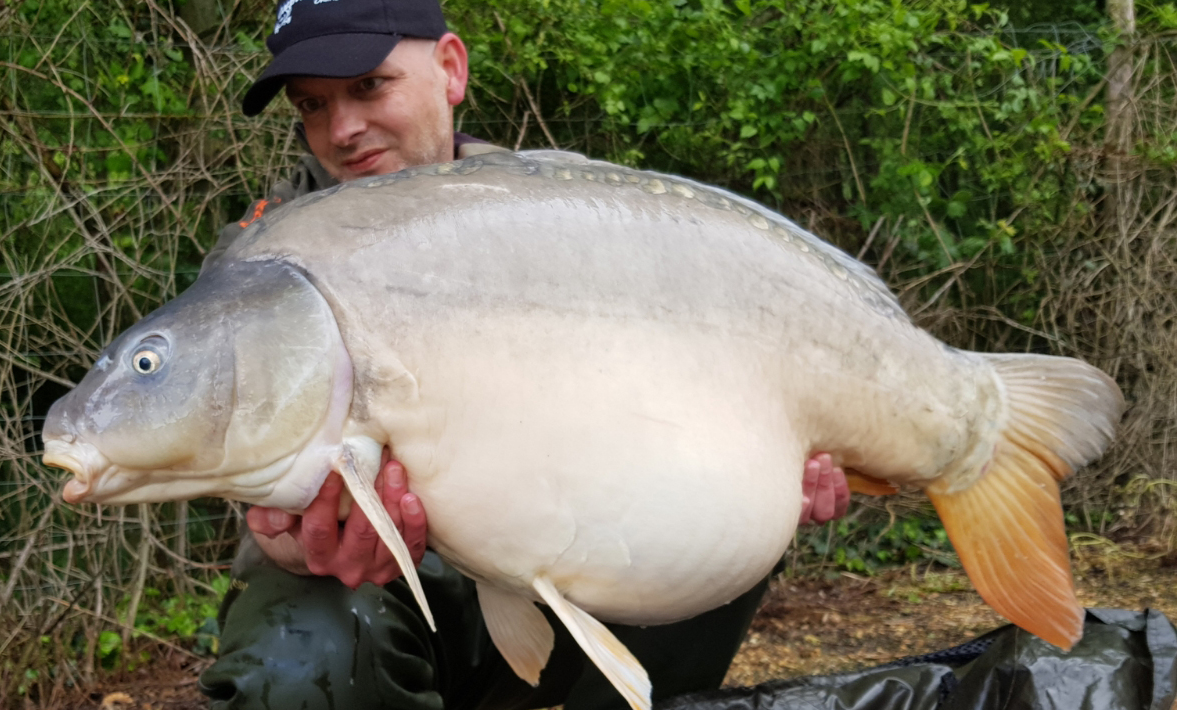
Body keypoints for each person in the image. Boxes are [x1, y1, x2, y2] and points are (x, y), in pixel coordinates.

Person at [197, 2, 852, 708]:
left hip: (573, 549)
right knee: (300, 659)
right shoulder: (260, 260)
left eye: (368, 86)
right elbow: (245, 484)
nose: (343, 129)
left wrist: (769, 461)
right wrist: (291, 541)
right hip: (377, 595)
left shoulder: (570, 210)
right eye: (313, 105)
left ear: (451, 68)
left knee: (707, 510)